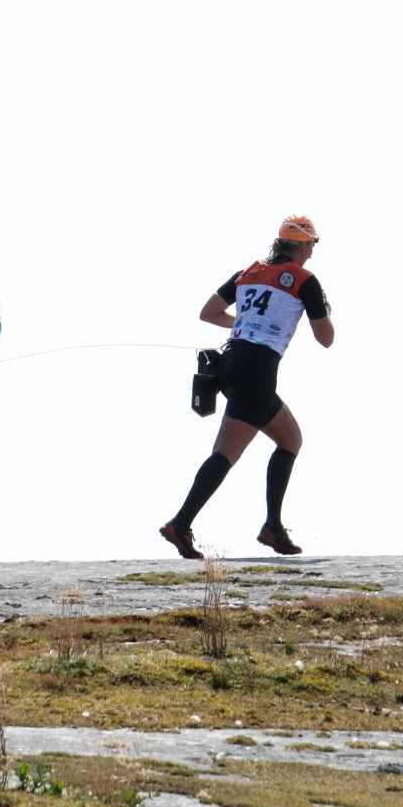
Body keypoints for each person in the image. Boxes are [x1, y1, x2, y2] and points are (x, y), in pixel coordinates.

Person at [160, 215, 334, 559]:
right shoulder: (305, 280)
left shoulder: (250, 272)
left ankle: (259, 526)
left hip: (232, 364)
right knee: (256, 447)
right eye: (312, 244)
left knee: (263, 445)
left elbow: (209, 312)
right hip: (257, 370)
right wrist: (323, 308)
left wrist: (241, 324)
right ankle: (191, 524)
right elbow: (326, 338)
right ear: (299, 245)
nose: (313, 251)